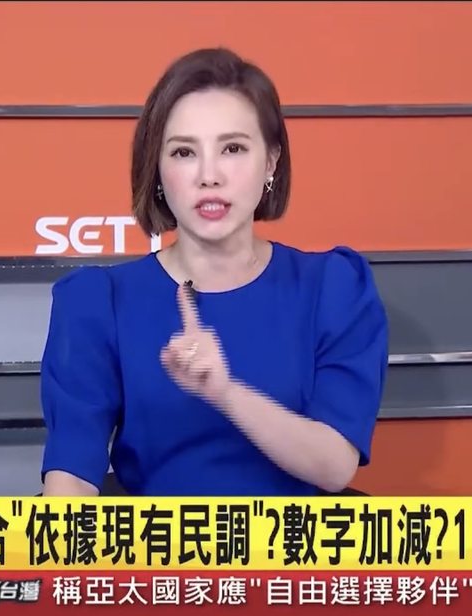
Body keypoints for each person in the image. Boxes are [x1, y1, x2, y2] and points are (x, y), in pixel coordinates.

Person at [40, 48, 388, 497]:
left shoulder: (333, 288)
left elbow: (335, 466)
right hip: (157, 541)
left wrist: (225, 393)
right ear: (157, 169)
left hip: (295, 540)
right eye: (184, 152)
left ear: (271, 161)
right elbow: (71, 477)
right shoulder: (98, 302)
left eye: (233, 148)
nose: (209, 175)